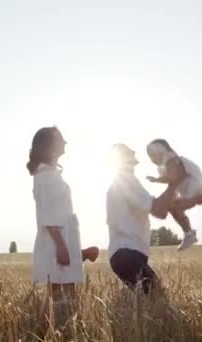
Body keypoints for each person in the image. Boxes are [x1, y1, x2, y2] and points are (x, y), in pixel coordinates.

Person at [27, 126, 97, 321]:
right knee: (60, 294)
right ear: (50, 146)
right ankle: (50, 330)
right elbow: (47, 214)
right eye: (61, 139)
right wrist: (61, 246)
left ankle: (55, 329)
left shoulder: (49, 174)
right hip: (56, 240)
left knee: (65, 294)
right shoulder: (45, 177)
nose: (65, 142)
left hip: (61, 239)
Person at [106, 143, 177, 294]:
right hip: (127, 254)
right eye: (130, 150)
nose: (134, 150)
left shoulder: (125, 181)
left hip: (127, 255)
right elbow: (158, 209)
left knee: (148, 298)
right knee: (155, 295)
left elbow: (160, 211)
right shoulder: (126, 181)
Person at [146, 139, 202, 251]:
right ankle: (189, 233)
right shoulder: (168, 163)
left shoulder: (173, 161)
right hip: (189, 190)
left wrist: (157, 180)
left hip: (193, 189)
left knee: (175, 208)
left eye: (153, 156)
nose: (152, 160)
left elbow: (172, 178)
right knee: (174, 209)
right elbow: (170, 179)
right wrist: (157, 180)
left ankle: (189, 234)